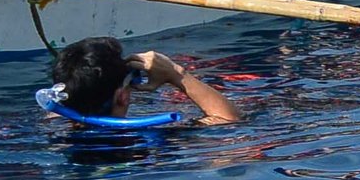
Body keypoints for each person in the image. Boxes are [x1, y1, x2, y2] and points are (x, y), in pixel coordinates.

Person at [48, 36, 240, 126]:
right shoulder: (146, 138)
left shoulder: (53, 127)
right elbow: (228, 119)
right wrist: (176, 73)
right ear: (122, 96)